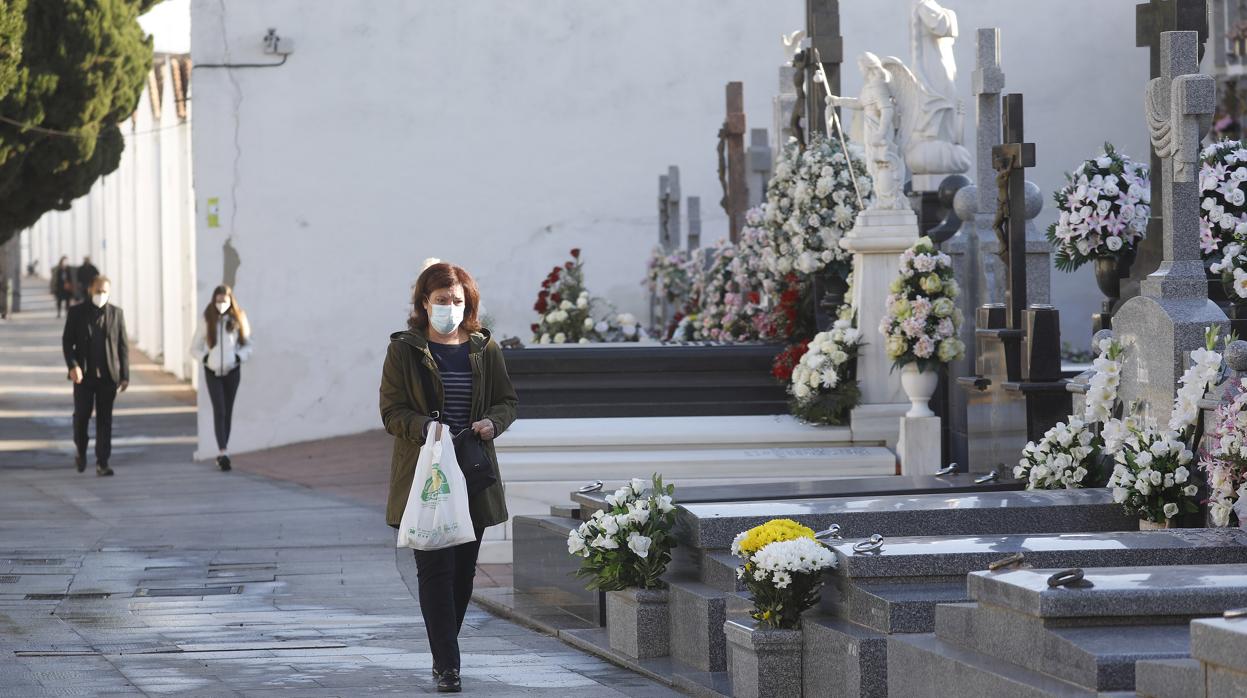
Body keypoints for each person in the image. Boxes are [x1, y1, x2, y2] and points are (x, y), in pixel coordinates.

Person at [379, 262, 517, 693]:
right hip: (426, 472)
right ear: (424, 303)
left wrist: (493, 423)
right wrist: (423, 427)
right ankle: (447, 665)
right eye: (441, 301)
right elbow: (391, 411)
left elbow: (506, 401)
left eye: (457, 301)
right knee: (435, 567)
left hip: (471, 470)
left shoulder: (482, 348)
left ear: (468, 303)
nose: (449, 308)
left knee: (462, 573)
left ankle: (445, 649)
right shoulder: (404, 349)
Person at [62, 276, 128, 476]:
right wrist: (73, 366)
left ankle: (102, 462)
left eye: (105, 291)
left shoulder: (117, 314)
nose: (102, 295)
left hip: (108, 377)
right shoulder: (76, 313)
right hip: (83, 377)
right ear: (91, 289)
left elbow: (123, 346)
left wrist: (125, 375)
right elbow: (67, 343)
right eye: (99, 291)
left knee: (104, 420)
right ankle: (81, 451)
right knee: (82, 416)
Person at [190, 285, 251, 471]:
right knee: (220, 409)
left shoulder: (238, 318)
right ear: (213, 301)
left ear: (230, 301)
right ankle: (223, 451)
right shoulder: (207, 320)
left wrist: (239, 358)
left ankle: (224, 448)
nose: (221, 305)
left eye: (224, 301)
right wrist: (206, 359)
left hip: (232, 371)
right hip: (213, 371)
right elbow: (194, 347)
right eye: (218, 301)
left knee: (228, 410)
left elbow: (248, 344)